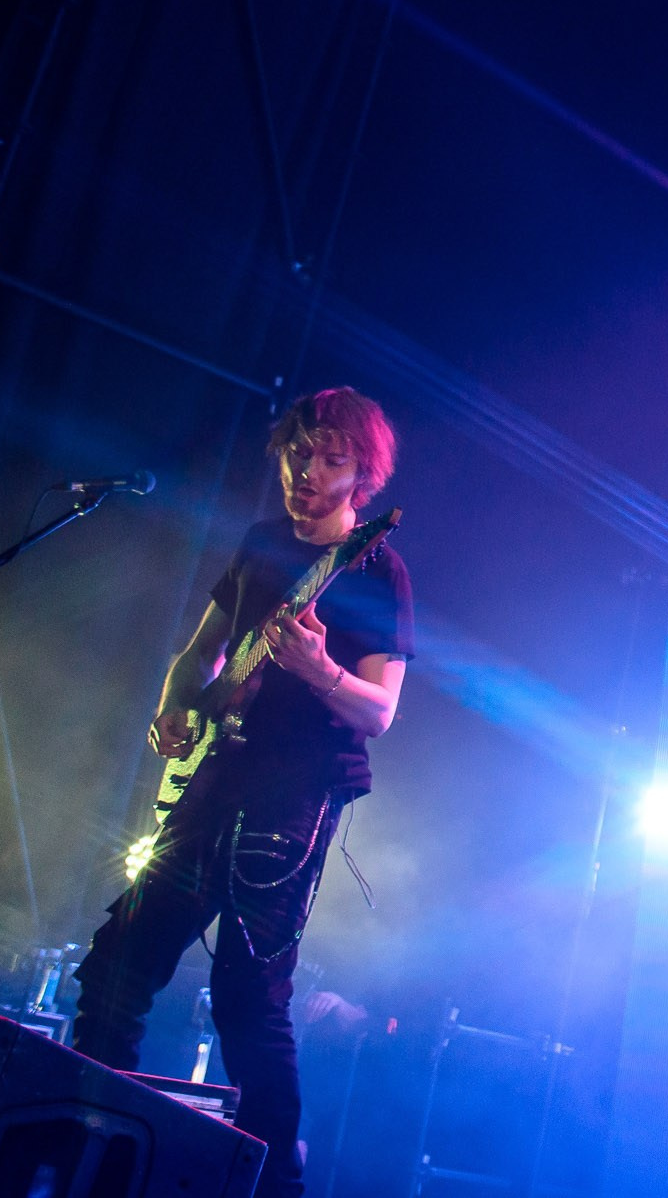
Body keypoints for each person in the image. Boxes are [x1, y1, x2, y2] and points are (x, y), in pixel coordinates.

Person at [73, 387, 413, 1195]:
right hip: (216, 779)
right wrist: (171, 705)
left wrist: (317, 669)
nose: (308, 472)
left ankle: (274, 1183)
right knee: (117, 962)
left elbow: (381, 710)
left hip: (293, 795)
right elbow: (198, 653)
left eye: (332, 459)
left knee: (246, 998)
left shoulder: (375, 566)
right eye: (300, 452)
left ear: (362, 473)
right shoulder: (261, 544)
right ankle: (85, 1145)